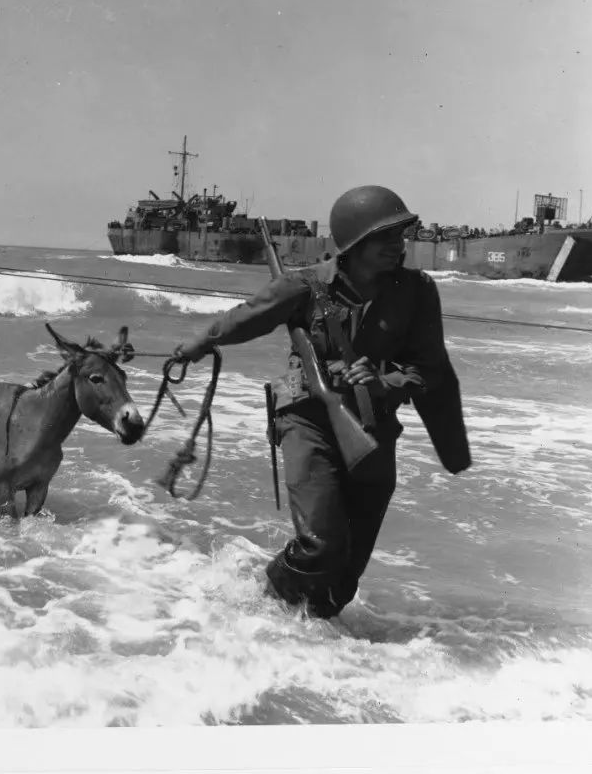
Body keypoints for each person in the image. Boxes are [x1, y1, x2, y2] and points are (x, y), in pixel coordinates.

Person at [172, 185, 468, 619]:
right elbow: (244, 318)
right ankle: (261, 605)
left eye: (400, 236)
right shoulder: (305, 285)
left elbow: (430, 368)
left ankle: (310, 644)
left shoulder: (417, 291)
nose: (397, 246)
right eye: (385, 237)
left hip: (372, 424)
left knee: (343, 579)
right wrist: (197, 344)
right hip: (306, 416)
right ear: (355, 244)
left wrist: (385, 381)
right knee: (321, 545)